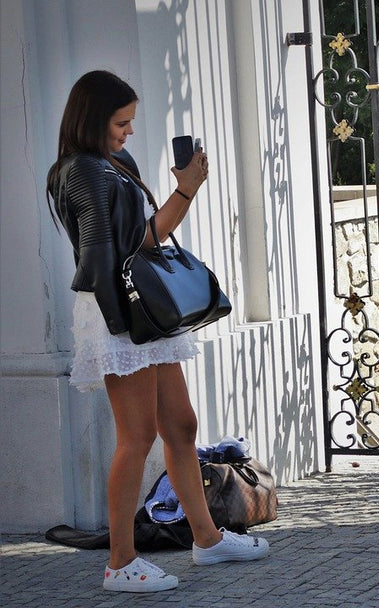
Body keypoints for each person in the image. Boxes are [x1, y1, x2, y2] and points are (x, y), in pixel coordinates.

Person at [46, 71, 270, 592]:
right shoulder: (82, 170)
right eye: (120, 122)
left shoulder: (113, 162)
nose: (128, 131)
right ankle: (120, 562)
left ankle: (207, 539)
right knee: (138, 435)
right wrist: (185, 190)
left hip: (142, 307)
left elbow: (143, 237)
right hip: (119, 310)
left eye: (130, 121)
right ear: (92, 120)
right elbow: (114, 253)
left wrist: (184, 191)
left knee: (182, 425)